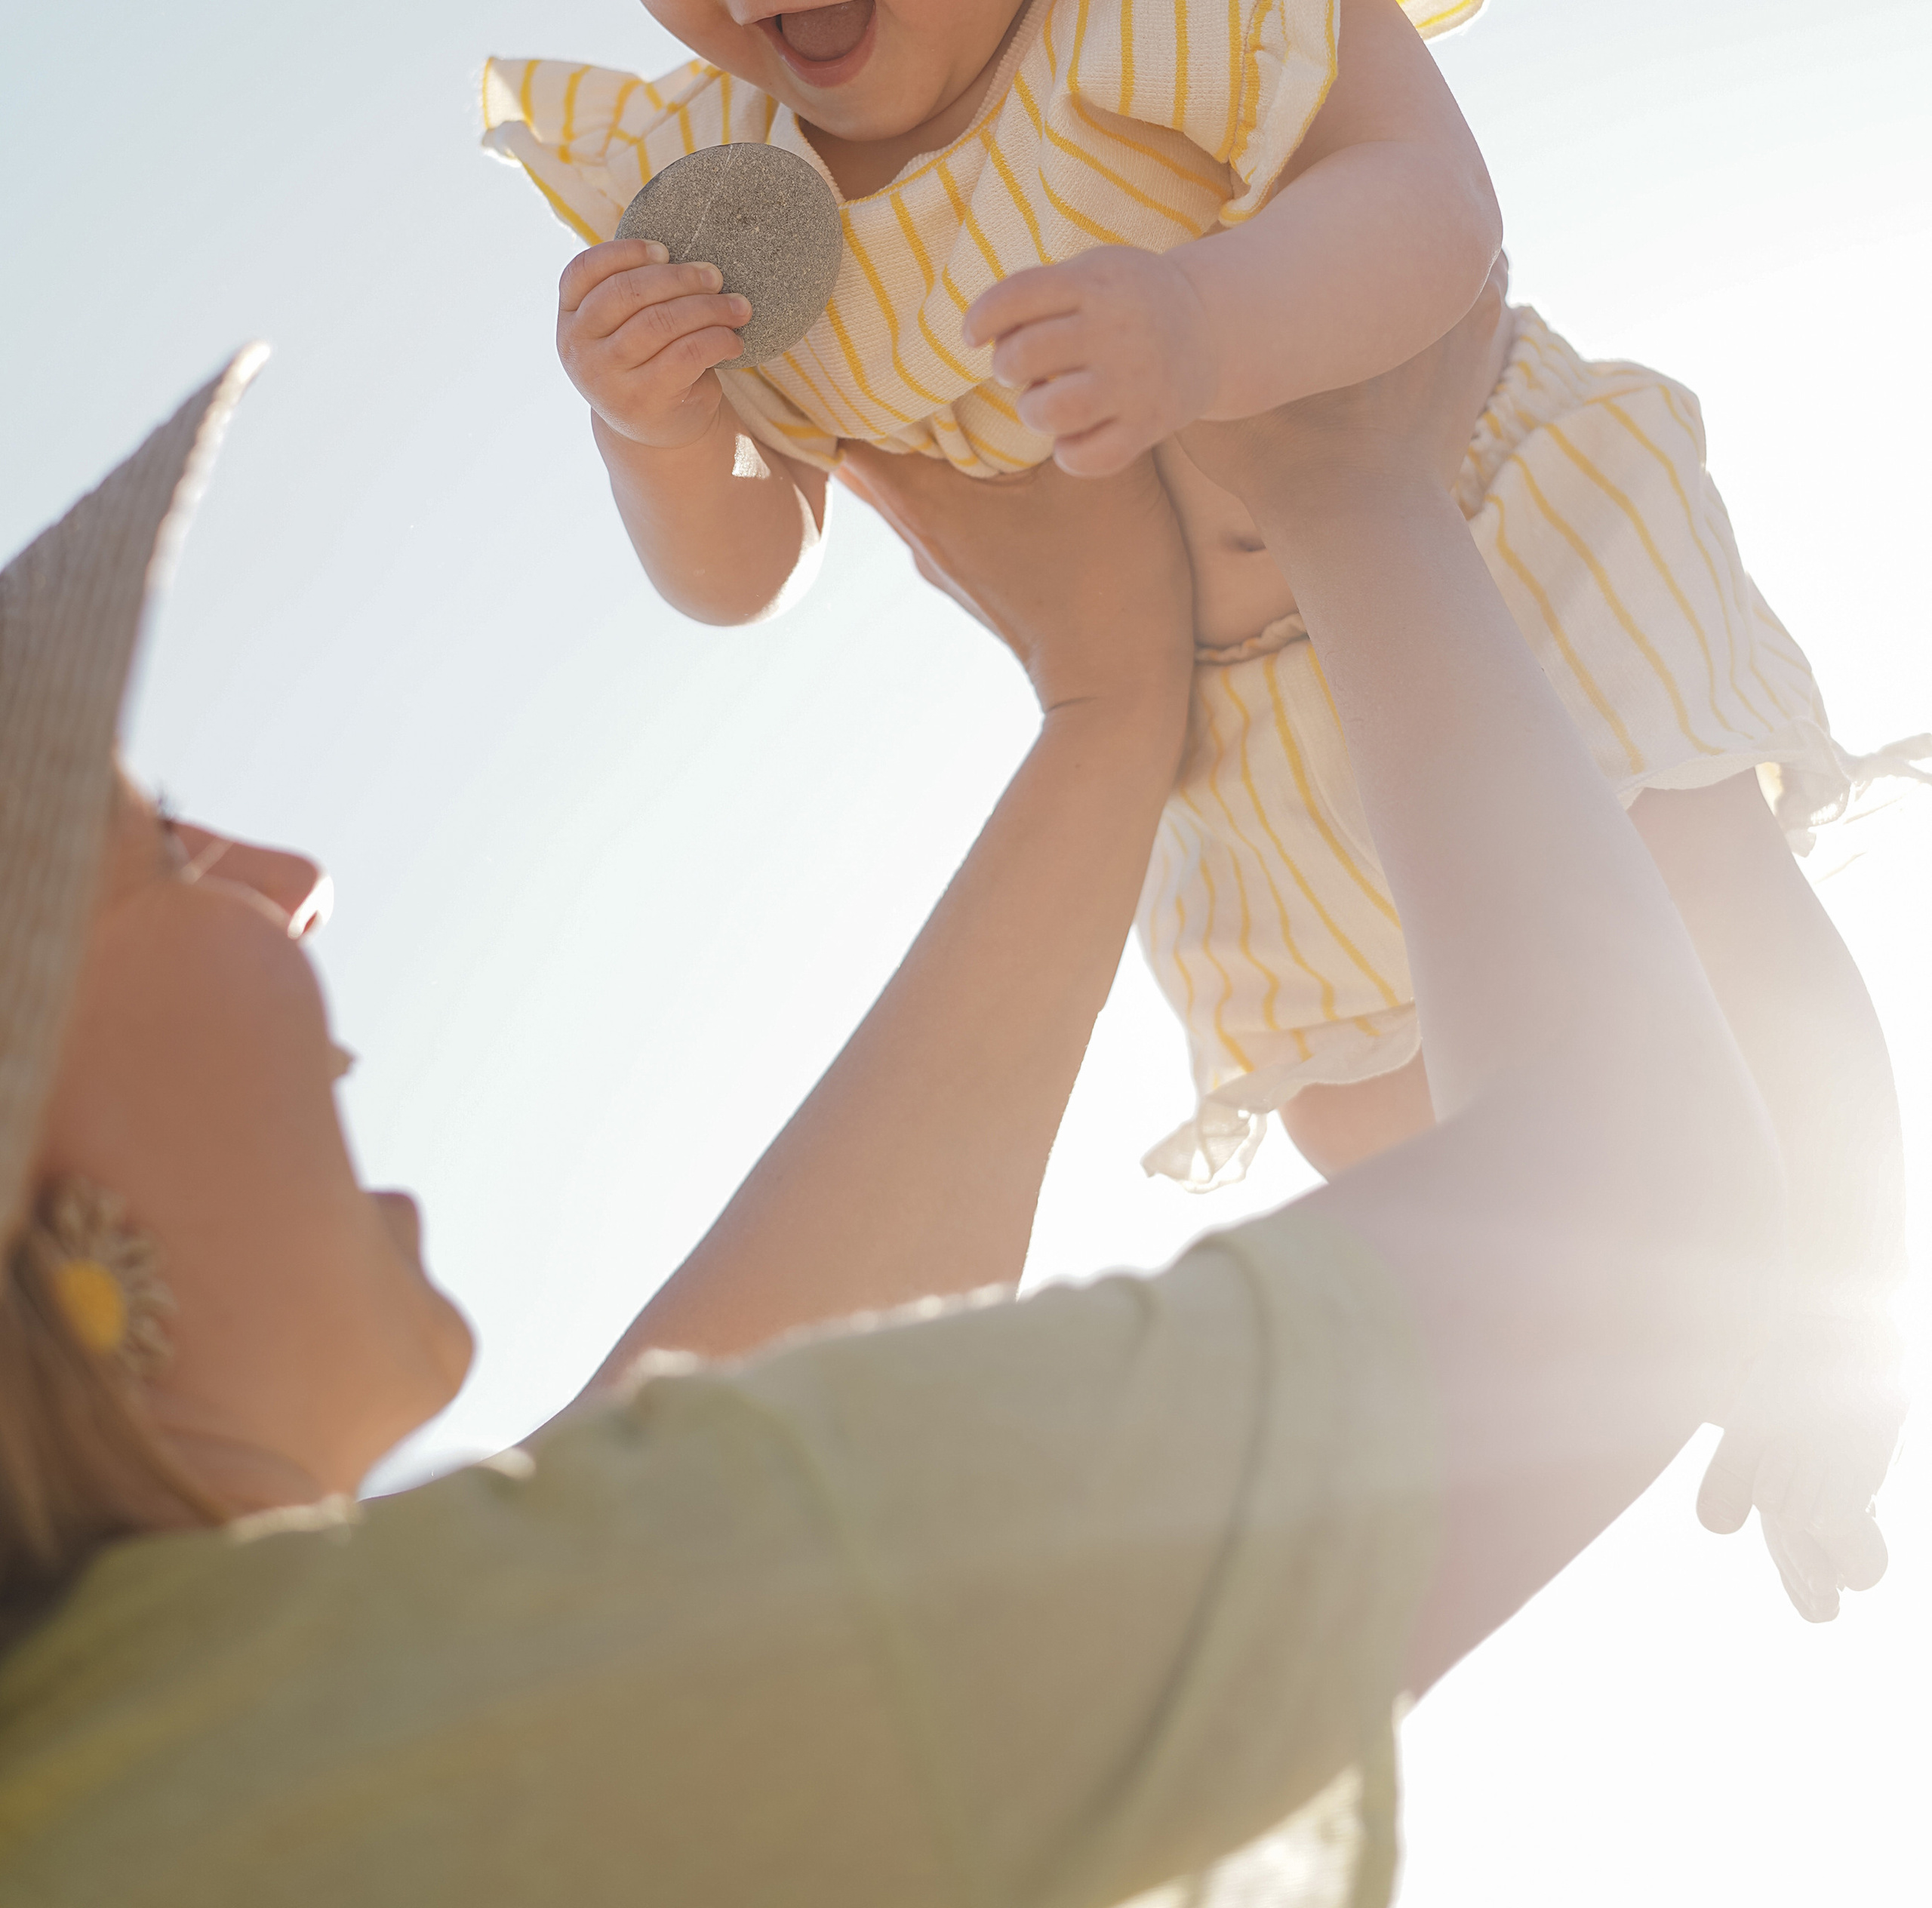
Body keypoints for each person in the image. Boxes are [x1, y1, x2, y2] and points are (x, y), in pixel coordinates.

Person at [413, 0, 1912, 1549]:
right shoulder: (745, 207)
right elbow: (752, 566)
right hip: (1222, 729)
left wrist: (1212, 327)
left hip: (1477, 528)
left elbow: (1430, 209)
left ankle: (1830, 1311)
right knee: (1376, 1124)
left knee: (1690, 888)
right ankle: (1527, 1452)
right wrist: (661, 442)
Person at [0, 296, 1868, 1904]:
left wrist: (1110, 711)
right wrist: (1346, 491)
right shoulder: (400, 1740)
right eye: (160, 849)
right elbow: (1637, 1230)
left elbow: (637, 1494)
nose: (290, 877)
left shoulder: (169, 1791)